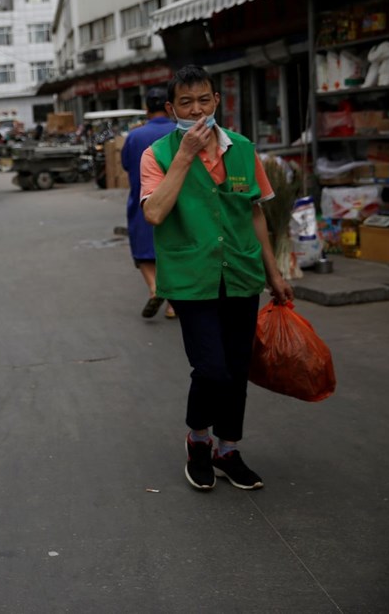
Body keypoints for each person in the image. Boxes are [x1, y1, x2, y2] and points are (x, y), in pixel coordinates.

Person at [141, 65, 293, 492]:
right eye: (186, 103)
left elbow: (255, 211)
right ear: (172, 109)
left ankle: (228, 449)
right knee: (211, 369)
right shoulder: (156, 155)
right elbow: (154, 212)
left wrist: (274, 272)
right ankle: (198, 441)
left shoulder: (243, 149)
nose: (197, 110)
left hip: (241, 273)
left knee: (237, 368)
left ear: (216, 101)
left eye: (204, 100)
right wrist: (186, 155)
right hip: (192, 278)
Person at [121, 88, 176, 319]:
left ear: (146, 110)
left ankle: (154, 289)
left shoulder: (134, 136)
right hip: (177, 203)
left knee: (144, 253)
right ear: (169, 107)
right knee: (173, 252)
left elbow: (125, 165)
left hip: (144, 201)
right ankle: (173, 305)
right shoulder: (179, 132)